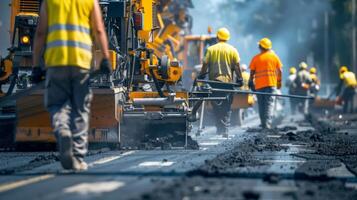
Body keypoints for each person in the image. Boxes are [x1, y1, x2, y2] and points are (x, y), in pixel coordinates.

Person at [32, 0, 111, 171]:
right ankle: (77, 156)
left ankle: (62, 130)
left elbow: (40, 33)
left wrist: (35, 65)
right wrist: (105, 58)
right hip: (81, 62)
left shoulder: (50, 2)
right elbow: (98, 30)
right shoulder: (90, 2)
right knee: (80, 108)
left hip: (56, 61)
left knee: (57, 104)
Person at [199, 27, 242, 137]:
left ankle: (219, 128)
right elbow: (237, 66)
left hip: (214, 83)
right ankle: (225, 130)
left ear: (217, 37)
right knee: (226, 106)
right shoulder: (233, 50)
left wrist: (202, 76)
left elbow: (205, 64)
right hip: (228, 83)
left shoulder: (211, 49)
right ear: (228, 38)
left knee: (216, 106)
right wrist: (240, 79)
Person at [249, 38, 283, 129]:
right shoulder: (274, 57)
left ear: (261, 47)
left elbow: (252, 72)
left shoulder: (256, 58)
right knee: (269, 104)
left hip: (259, 86)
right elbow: (280, 70)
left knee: (261, 104)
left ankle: (263, 122)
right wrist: (279, 82)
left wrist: (250, 81)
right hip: (271, 85)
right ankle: (267, 123)